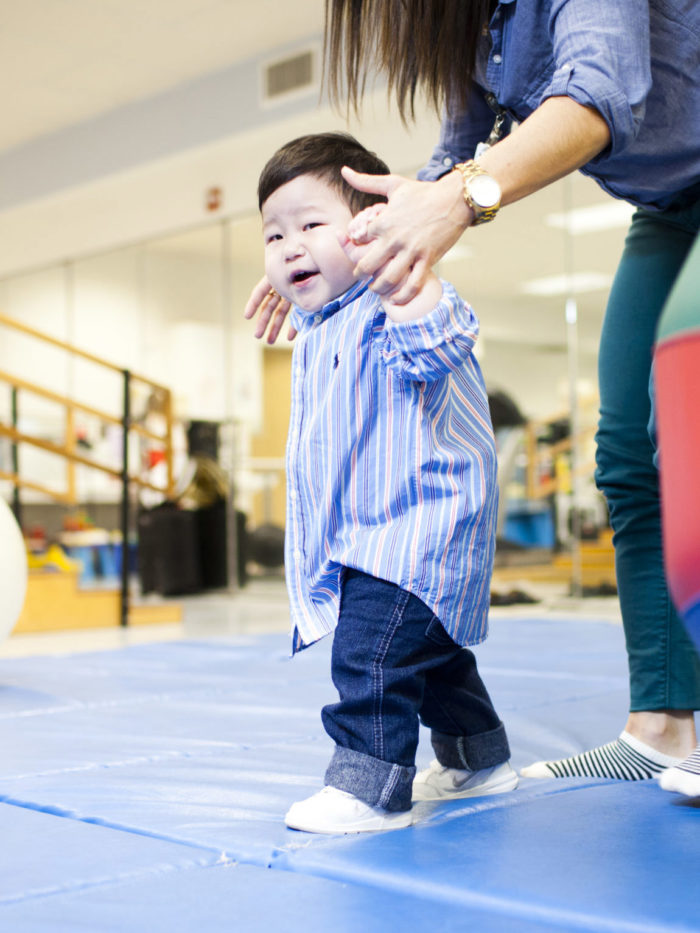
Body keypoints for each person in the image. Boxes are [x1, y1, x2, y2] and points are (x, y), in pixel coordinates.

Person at [246, 0, 700, 787]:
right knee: (628, 455)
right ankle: (664, 725)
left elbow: (595, 99)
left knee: (688, 438)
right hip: (668, 206)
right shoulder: (474, 23)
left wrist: (456, 201)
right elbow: (456, 155)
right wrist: (328, 253)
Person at [254, 131, 517, 834]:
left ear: (373, 225)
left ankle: (370, 786)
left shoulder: (392, 297)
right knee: (429, 659)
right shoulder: (321, 329)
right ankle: (478, 756)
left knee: (370, 655)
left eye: (312, 224)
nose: (288, 246)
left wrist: (402, 268)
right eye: (274, 234)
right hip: (368, 535)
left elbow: (437, 342)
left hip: (418, 528)